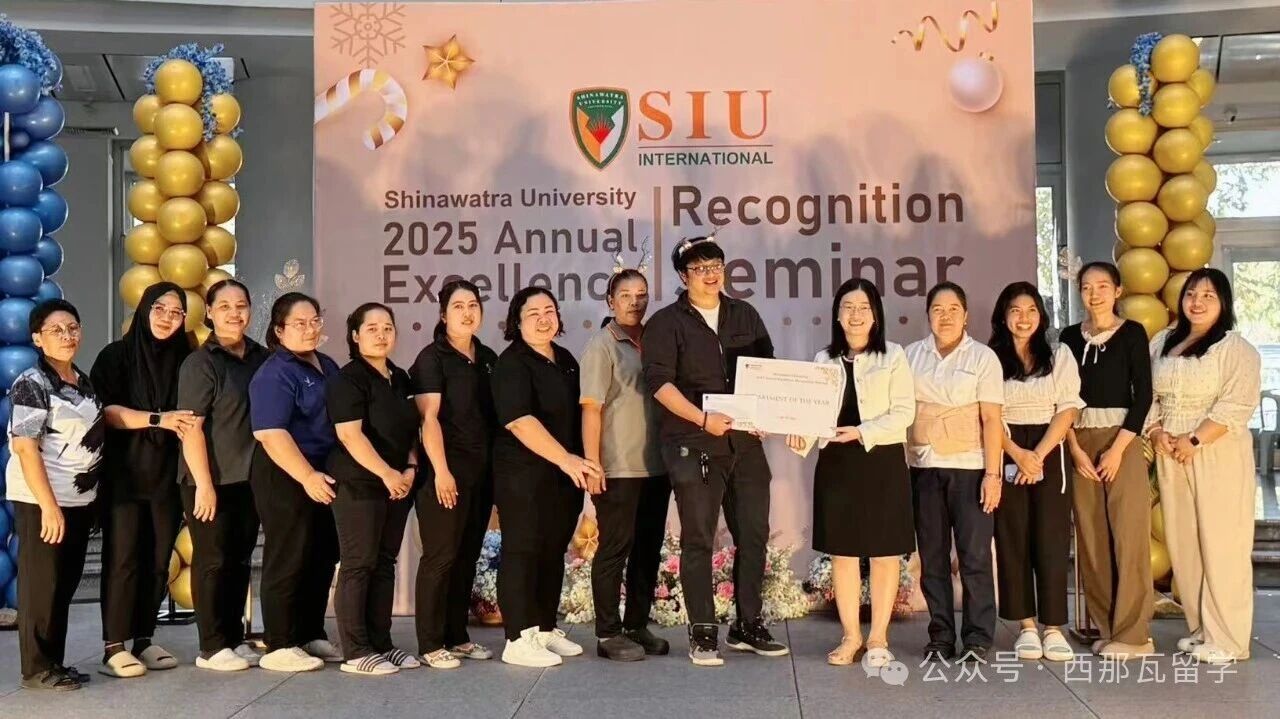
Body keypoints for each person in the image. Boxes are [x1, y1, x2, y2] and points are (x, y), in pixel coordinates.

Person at [642, 234, 788, 667]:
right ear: (683, 275)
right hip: (693, 443)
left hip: (745, 443)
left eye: (716, 266)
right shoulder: (665, 323)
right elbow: (659, 384)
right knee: (699, 538)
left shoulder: (745, 314)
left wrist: (768, 413)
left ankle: (748, 624)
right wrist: (702, 419)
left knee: (754, 534)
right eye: (700, 268)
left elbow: (767, 371)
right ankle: (703, 631)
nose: (710, 275)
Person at [788, 278, 915, 668]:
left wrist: (862, 432)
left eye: (863, 307)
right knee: (842, 553)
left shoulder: (893, 356)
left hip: (882, 461)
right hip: (837, 465)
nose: (855, 315)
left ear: (875, 315)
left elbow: (904, 412)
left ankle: (878, 637)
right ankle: (850, 636)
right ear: (837, 315)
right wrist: (799, 434)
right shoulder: (823, 359)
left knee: (884, 554)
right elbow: (811, 416)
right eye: (848, 307)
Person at [1147, 268, 1261, 665]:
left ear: (1223, 303)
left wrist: (1194, 440)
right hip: (1171, 451)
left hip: (1216, 451)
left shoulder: (1235, 348)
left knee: (1222, 542)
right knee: (1185, 542)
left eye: (1208, 295)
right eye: (1191, 294)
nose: (1197, 302)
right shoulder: (1163, 341)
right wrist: (1157, 432)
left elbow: (1237, 403)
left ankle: (1229, 639)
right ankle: (1202, 628)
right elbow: (1146, 394)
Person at [90, 281, 197, 678]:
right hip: (125, 475)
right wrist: (158, 419)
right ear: (144, 309)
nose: (168, 318)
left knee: (157, 560)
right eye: (160, 309)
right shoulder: (115, 356)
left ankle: (143, 639)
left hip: (168, 477)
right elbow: (105, 412)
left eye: (176, 312)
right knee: (123, 559)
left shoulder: (188, 359)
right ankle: (113, 645)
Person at [491, 287, 599, 667]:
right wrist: (567, 459)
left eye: (549, 311)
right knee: (523, 550)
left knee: (553, 550)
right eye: (533, 313)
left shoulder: (565, 358)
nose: (543, 319)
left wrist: (581, 461)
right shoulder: (511, 364)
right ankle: (518, 638)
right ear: (516, 322)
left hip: (563, 476)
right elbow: (520, 421)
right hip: (523, 476)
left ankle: (543, 628)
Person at [7, 300, 105, 691]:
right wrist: (48, 507)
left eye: (72, 328)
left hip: (77, 499)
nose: (67, 336)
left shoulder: (82, 380)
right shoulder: (31, 382)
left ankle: (54, 662)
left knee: (63, 584)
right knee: (42, 584)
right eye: (56, 330)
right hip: (42, 501)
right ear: (37, 338)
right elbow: (26, 447)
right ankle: (36, 668)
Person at [905, 281, 1004, 664]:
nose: (944, 317)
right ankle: (941, 635)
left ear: (966, 316)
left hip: (971, 469)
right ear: (928, 316)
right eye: (937, 310)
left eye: (952, 310)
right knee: (932, 559)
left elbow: (992, 419)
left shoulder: (982, 358)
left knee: (974, 557)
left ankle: (977, 638)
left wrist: (993, 475)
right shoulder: (911, 356)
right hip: (923, 468)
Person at [1059, 262, 1154, 659]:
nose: (1094, 293)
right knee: (1091, 537)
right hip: (1079, 440)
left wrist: (1117, 450)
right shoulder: (1068, 337)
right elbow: (1061, 397)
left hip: (1122, 439)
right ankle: (1107, 627)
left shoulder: (1132, 333)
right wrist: (1074, 448)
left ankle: (1135, 636)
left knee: (1129, 535)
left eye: (1102, 286)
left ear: (1117, 291)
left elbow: (1143, 396)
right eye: (1086, 287)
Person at [177, 279, 269, 671]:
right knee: (212, 560)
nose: (234, 313)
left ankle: (233, 637)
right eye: (225, 306)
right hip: (209, 479)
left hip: (249, 479)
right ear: (210, 312)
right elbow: (191, 428)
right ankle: (211, 647)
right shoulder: (201, 363)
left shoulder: (262, 357)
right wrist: (203, 485)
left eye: (241, 305)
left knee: (239, 559)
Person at [988, 282, 1083, 662]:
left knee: (1051, 538)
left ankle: (1053, 627)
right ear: (1003, 317)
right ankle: (1026, 625)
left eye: (1030, 311)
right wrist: (1016, 453)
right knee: (1011, 537)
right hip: (1005, 444)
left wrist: (1037, 455)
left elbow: (1068, 408)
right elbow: (988, 413)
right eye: (1015, 310)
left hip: (1049, 447)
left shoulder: (1059, 354)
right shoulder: (990, 358)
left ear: (1041, 317)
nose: (1023, 318)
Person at [249, 292, 344, 672]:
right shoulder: (275, 372)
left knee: (321, 554)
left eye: (314, 321)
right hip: (286, 473)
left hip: (324, 473)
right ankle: (280, 642)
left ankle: (309, 632)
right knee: (288, 554)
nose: (309, 329)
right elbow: (270, 433)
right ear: (279, 330)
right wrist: (306, 476)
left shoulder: (328, 364)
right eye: (299, 323)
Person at [581, 268, 670, 662]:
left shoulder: (656, 341)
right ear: (610, 301)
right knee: (615, 548)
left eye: (642, 294)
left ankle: (636, 624)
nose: (635, 302)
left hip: (657, 466)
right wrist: (592, 464)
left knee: (648, 549)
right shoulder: (602, 346)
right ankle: (608, 633)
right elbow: (591, 409)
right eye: (625, 295)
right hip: (617, 467)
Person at [327, 303, 421, 675]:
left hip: (397, 484)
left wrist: (410, 467)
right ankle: (355, 650)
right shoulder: (348, 379)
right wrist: (386, 473)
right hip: (360, 483)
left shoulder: (400, 377)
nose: (381, 335)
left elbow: (411, 429)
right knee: (358, 563)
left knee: (384, 563)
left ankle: (382, 643)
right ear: (355, 336)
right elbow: (350, 435)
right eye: (371, 328)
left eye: (387, 328)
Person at [411, 280, 498, 668]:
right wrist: (442, 471)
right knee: (440, 556)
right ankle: (430, 644)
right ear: (443, 315)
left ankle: (456, 636)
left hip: (481, 475)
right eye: (458, 306)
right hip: (444, 474)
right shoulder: (432, 358)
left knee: (466, 556)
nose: (467, 312)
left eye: (473, 305)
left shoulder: (488, 357)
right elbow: (427, 420)